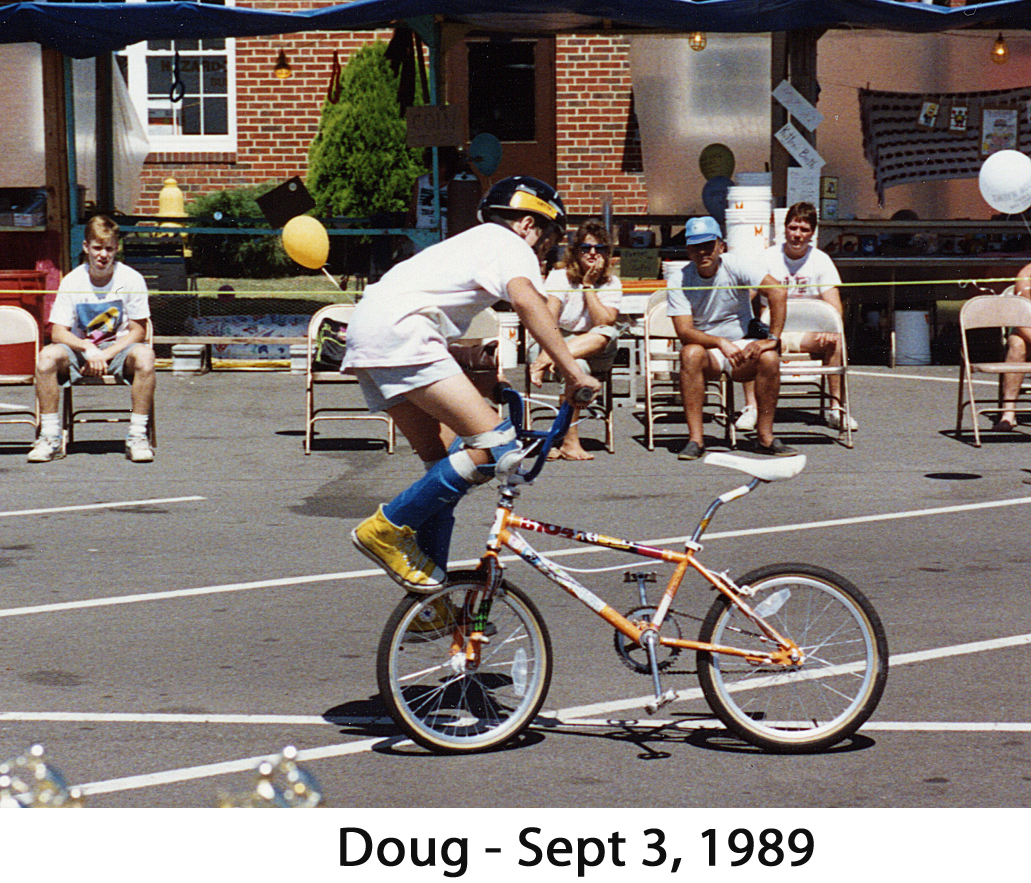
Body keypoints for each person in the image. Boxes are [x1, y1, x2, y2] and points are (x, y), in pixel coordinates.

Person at [343, 176, 601, 593]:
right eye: (547, 241)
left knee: (442, 464)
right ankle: (386, 527)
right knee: (498, 448)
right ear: (527, 224)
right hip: (403, 333)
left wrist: (488, 382)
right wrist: (573, 371)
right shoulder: (509, 243)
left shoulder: (471, 243)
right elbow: (526, 301)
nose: (542, 253)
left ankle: (432, 597)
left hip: (368, 331)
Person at [27, 215, 156, 463]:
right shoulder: (72, 280)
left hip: (117, 349)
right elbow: (58, 332)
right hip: (79, 350)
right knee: (46, 358)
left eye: (109, 248)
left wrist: (104, 354)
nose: (103, 255)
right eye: (97, 248)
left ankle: (138, 436)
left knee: (146, 356)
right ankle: (50, 437)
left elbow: (138, 331)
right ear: (86, 247)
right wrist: (87, 347)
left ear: (116, 248)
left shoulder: (131, 279)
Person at [667, 215, 795, 460]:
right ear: (688, 250)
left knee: (769, 358)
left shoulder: (735, 265)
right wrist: (719, 342)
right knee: (689, 354)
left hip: (742, 343)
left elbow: (778, 291)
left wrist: (773, 339)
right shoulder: (679, 280)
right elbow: (684, 332)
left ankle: (765, 437)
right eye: (696, 246)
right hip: (709, 350)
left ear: (721, 246)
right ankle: (696, 439)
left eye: (708, 245)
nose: (703, 252)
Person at [735, 201, 857, 433]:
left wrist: (831, 329)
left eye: (803, 230)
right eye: (793, 228)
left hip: (806, 334)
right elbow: (745, 296)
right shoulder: (767, 258)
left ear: (812, 233)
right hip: (770, 333)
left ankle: (836, 408)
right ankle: (751, 407)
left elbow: (834, 306)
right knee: (747, 339)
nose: (797, 235)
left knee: (836, 340)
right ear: (785, 229)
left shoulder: (821, 260)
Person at [527, 218, 622, 460]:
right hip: (554, 341)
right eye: (586, 248)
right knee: (576, 367)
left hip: (593, 349)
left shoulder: (612, 282)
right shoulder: (559, 277)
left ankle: (544, 360)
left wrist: (588, 286)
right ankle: (570, 441)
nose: (592, 253)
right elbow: (548, 321)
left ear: (607, 253)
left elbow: (605, 320)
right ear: (575, 251)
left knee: (608, 332)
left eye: (599, 248)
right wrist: (553, 349)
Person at [992, 259, 1031, 432]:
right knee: (1016, 344)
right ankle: (1008, 413)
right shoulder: (1026, 275)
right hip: (1028, 329)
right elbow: (1021, 320)